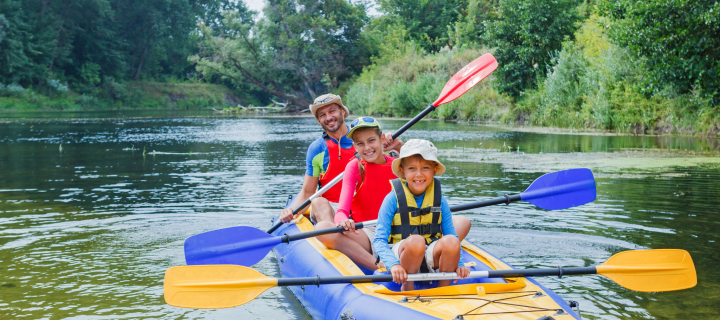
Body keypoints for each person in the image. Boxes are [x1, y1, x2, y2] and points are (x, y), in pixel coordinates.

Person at [317, 118, 470, 272]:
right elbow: (342, 210)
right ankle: (378, 264)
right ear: (355, 146)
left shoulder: (399, 165)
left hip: (405, 226)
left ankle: (436, 253)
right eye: (360, 143)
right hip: (370, 231)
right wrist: (343, 220)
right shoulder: (354, 167)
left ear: (382, 139)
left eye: (371, 140)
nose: (367, 147)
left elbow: (421, 174)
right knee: (324, 229)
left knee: (463, 222)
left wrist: (399, 144)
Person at [279, 95, 401, 225]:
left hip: (365, 206)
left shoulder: (366, 139)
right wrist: (291, 211)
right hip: (332, 207)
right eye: (322, 115)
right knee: (318, 202)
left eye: (332, 111)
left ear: (342, 112)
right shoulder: (317, 149)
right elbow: (308, 192)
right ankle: (335, 237)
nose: (329, 117)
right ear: (319, 120)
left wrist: (398, 146)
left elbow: (407, 165)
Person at [373, 139, 470, 291]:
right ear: (403, 171)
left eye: (425, 168)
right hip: (402, 254)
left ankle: (443, 291)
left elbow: (452, 235)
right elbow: (379, 240)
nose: (419, 174)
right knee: (416, 241)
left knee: (451, 241)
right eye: (412, 168)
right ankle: (408, 288)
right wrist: (393, 264)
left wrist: (460, 264)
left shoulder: (440, 200)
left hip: (429, 253)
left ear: (434, 170)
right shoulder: (392, 198)